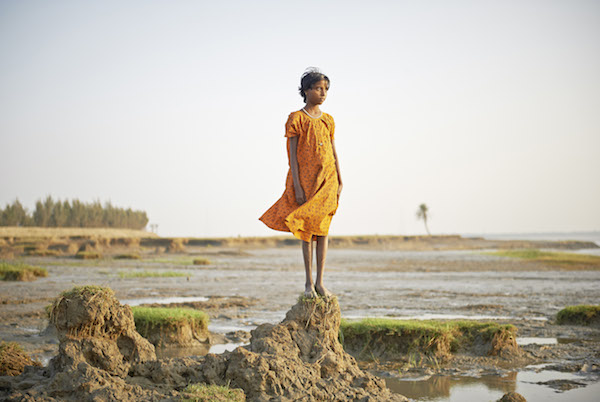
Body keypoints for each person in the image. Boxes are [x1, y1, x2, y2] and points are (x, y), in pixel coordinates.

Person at [259, 68, 343, 298]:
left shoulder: (328, 120)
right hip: (305, 181)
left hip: (328, 180)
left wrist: (340, 179)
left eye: (326, 89)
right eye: (318, 88)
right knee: (306, 231)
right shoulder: (296, 119)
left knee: (323, 230)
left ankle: (320, 283)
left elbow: (334, 151)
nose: (323, 93)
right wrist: (296, 185)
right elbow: (292, 156)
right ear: (306, 90)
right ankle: (308, 284)